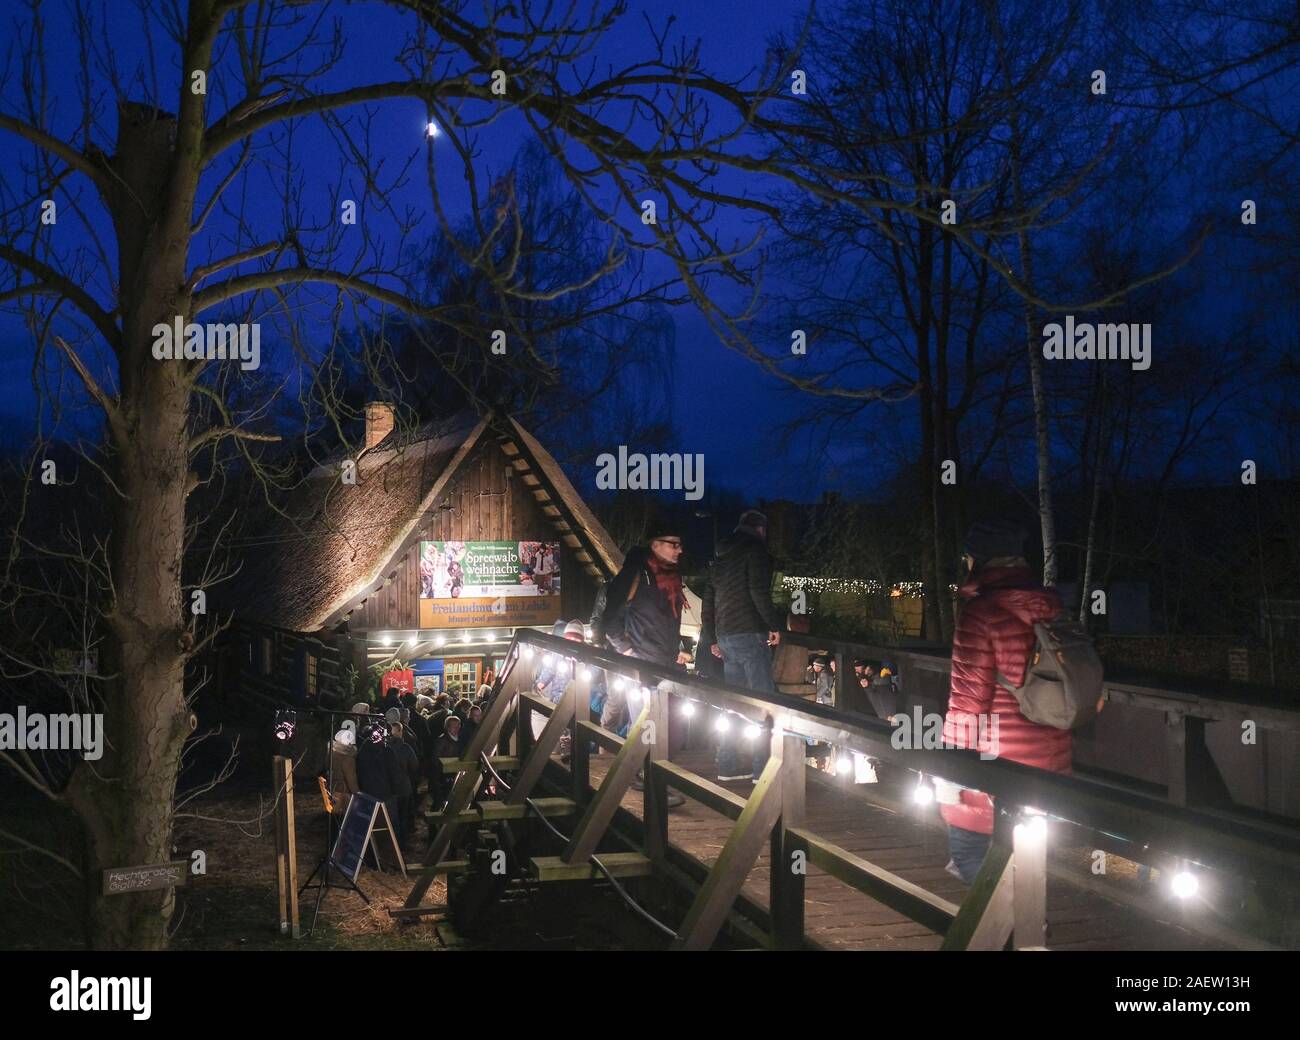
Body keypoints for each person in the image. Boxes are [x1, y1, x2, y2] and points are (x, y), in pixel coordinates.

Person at [938, 519, 1072, 884]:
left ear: (977, 560)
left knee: (973, 864)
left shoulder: (980, 614)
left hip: (993, 772)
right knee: (1027, 877)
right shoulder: (1051, 609)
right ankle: (1029, 932)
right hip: (1050, 769)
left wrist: (952, 772)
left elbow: (968, 704)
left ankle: (1007, 938)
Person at [593, 529, 692, 807]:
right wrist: (628, 652)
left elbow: (668, 619)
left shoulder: (672, 579)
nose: (679, 550)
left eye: (680, 544)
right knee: (652, 726)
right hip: (641, 664)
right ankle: (655, 786)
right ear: (656, 544)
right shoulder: (635, 574)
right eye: (673, 544)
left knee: (672, 728)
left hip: (667, 663)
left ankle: (641, 773)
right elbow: (609, 619)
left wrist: (678, 648)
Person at [702, 508, 785, 782]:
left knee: (734, 704)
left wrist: (713, 637)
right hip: (750, 633)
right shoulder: (755, 551)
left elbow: (709, 600)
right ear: (761, 529)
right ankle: (762, 770)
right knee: (763, 703)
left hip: (726, 635)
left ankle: (727, 765)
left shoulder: (720, 555)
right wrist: (774, 625)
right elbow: (757, 591)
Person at [328, 726, 359, 817]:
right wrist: (357, 794)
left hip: (333, 788)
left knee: (334, 816)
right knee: (347, 817)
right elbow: (351, 778)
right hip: (343, 791)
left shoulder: (331, 753)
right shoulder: (347, 758)